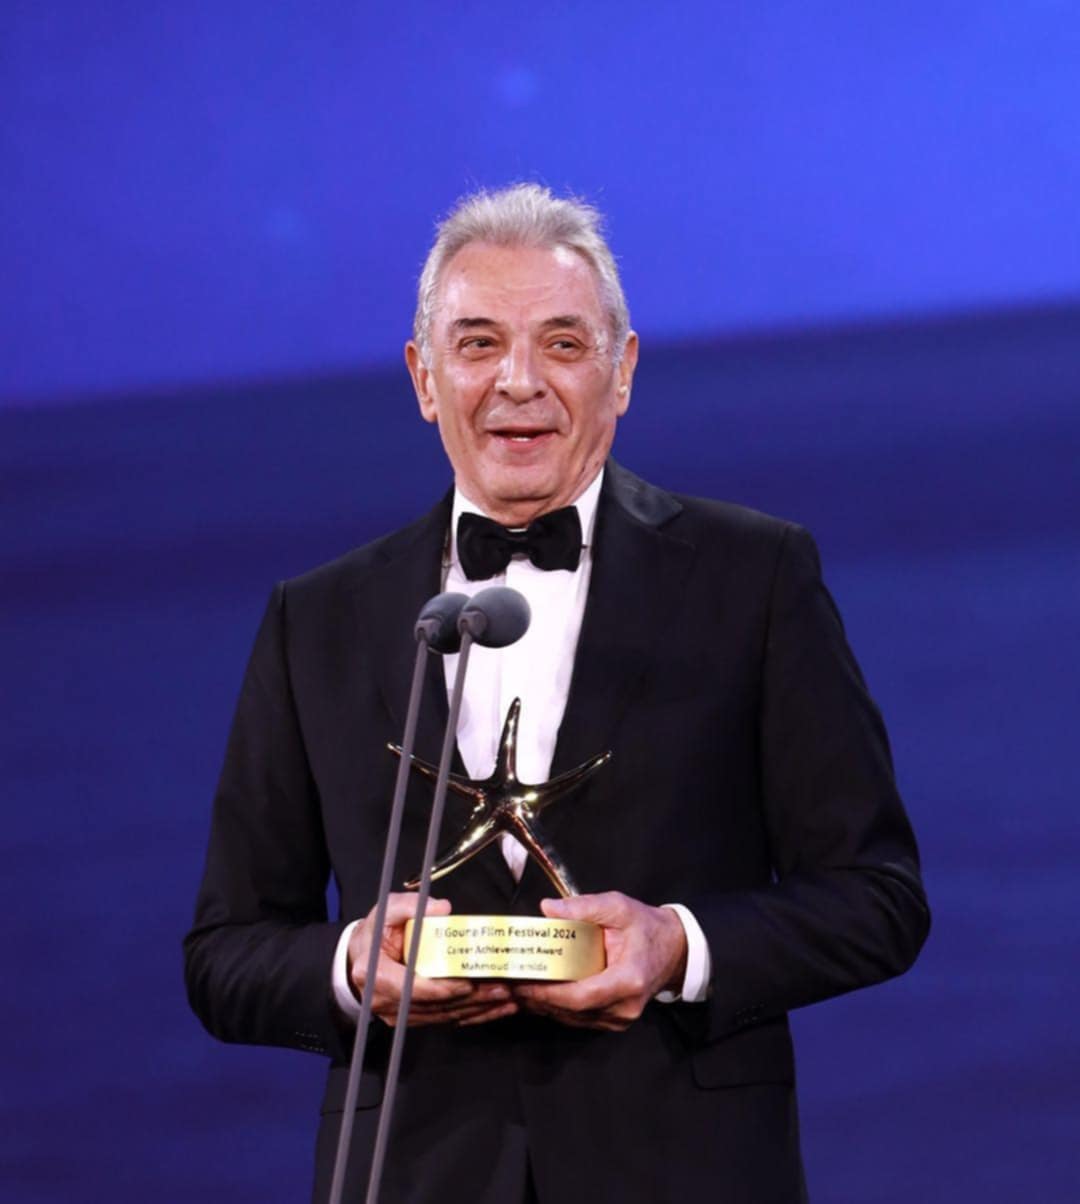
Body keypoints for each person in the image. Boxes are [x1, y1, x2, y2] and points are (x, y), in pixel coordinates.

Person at [184, 183, 930, 1203]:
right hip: (414, 1177)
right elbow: (225, 953)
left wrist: (678, 946)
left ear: (623, 372)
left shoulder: (755, 577)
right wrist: (356, 963)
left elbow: (878, 898)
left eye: (564, 344)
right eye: (478, 344)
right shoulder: (316, 619)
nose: (519, 382)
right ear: (424, 378)